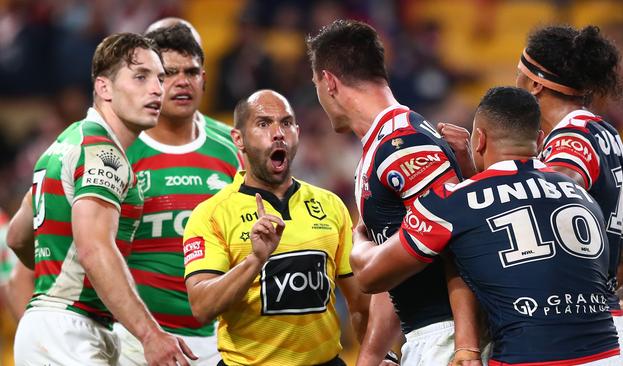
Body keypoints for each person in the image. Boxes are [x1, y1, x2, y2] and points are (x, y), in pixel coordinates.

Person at [350, 86, 621, 364]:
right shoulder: (582, 194)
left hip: (533, 354)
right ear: (539, 140)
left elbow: (370, 275)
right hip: (608, 350)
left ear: (478, 140)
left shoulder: (454, 202)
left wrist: (360, 235)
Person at [8, 32, 196, 366]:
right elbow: (94, 249)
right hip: (72, 329)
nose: (157, 89)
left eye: (160, 78)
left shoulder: (63, 144)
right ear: (103, 87)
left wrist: (54, 280)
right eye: (140, 76)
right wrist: (151, 335)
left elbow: (18, 236)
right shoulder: (103, 153)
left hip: (50, 328)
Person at [306, 19, 481, 365]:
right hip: (425, 336)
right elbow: (403, 260)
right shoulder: (381, 145)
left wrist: (465, 345)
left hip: (446, 337)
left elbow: (457, 247)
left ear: (328, 82)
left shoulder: (406, 144)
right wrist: (372, 355)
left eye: (314, 83)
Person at [183, 89, 370, 366]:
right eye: (263, 124)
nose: (278, 132)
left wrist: (379, 355)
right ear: (239, 139)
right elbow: (202, 307)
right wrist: (255, 260)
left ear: (297, 131)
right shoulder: (211, 214)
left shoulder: (331, 205)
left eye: (286, 123)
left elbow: (360, 303)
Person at [111, 21, 241, 366]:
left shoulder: (233, 146)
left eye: (192, 71)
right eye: (169, 73)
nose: (183, 81)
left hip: (221, 340)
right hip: (138, 341)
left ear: (205, 78)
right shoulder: (119, 148)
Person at [515, 25, 623, 364]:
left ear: (535, 84)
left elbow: (560, 186)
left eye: (518, 75)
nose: (515, 84)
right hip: (606, 321)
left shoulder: (571, 137)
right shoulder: (606, 134)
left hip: (573, 329)